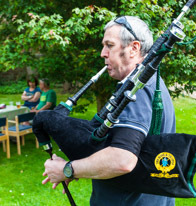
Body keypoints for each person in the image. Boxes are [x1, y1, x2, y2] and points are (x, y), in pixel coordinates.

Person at [42, 16, 176, 206]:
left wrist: (68, 169)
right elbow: (117, 145)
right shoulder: (148, 83)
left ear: (134, 48)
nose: (103, 53)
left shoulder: (138, 90)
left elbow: (122, 159)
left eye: (109, 45)